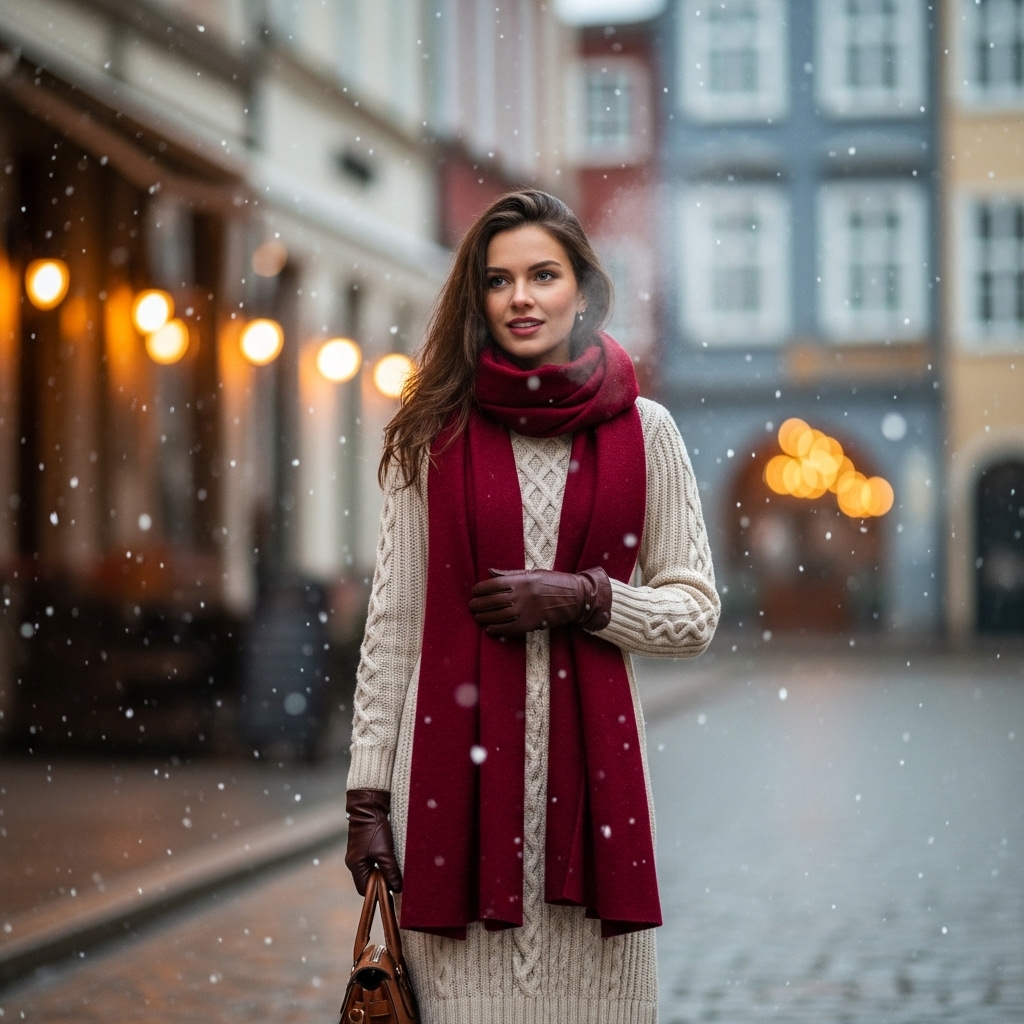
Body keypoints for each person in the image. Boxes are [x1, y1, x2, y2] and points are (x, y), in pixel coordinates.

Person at [344, 189, 719, 1023]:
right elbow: (394, 630)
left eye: (543, 275)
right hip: (450, 808)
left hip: (595, 811)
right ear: (477, 299)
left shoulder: (646, 432)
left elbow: (695, 613)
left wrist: (582, 597)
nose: (521, 297)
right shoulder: (431, 436)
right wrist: (367, 799)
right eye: (499, 279)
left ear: (583, 291)